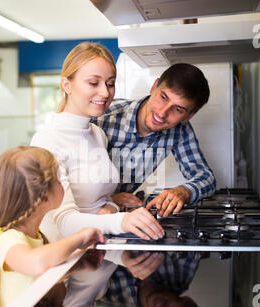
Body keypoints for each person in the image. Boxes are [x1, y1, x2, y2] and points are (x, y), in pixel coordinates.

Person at [30, 42, 164, 242]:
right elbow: (64, 223)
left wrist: (113, 205)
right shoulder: (46, 141)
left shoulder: (97, 133)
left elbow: (97, 202)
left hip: (96, 252)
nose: (105, 93)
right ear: (67, 85)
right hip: (66, 260)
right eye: (94, 83)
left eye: (110, 83)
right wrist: (121, 220)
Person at [0, 146, 105, 307]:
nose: (62, 184)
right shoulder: (7, 239)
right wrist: (79, 237)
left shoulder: (35, 236)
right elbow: (36, 263)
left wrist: (79, 265)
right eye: (58, 179)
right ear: (43, 199)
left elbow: (35, 277)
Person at [93, 63, 216, 217]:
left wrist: (184, 192)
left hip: (117, 218)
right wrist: (107, 200)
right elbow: (63, 181)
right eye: (163, 97)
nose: (162, 113)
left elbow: (206, 177)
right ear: (154, 86)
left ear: (189, 116)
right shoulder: (102, 116)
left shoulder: (179, 130)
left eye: (178, 109)